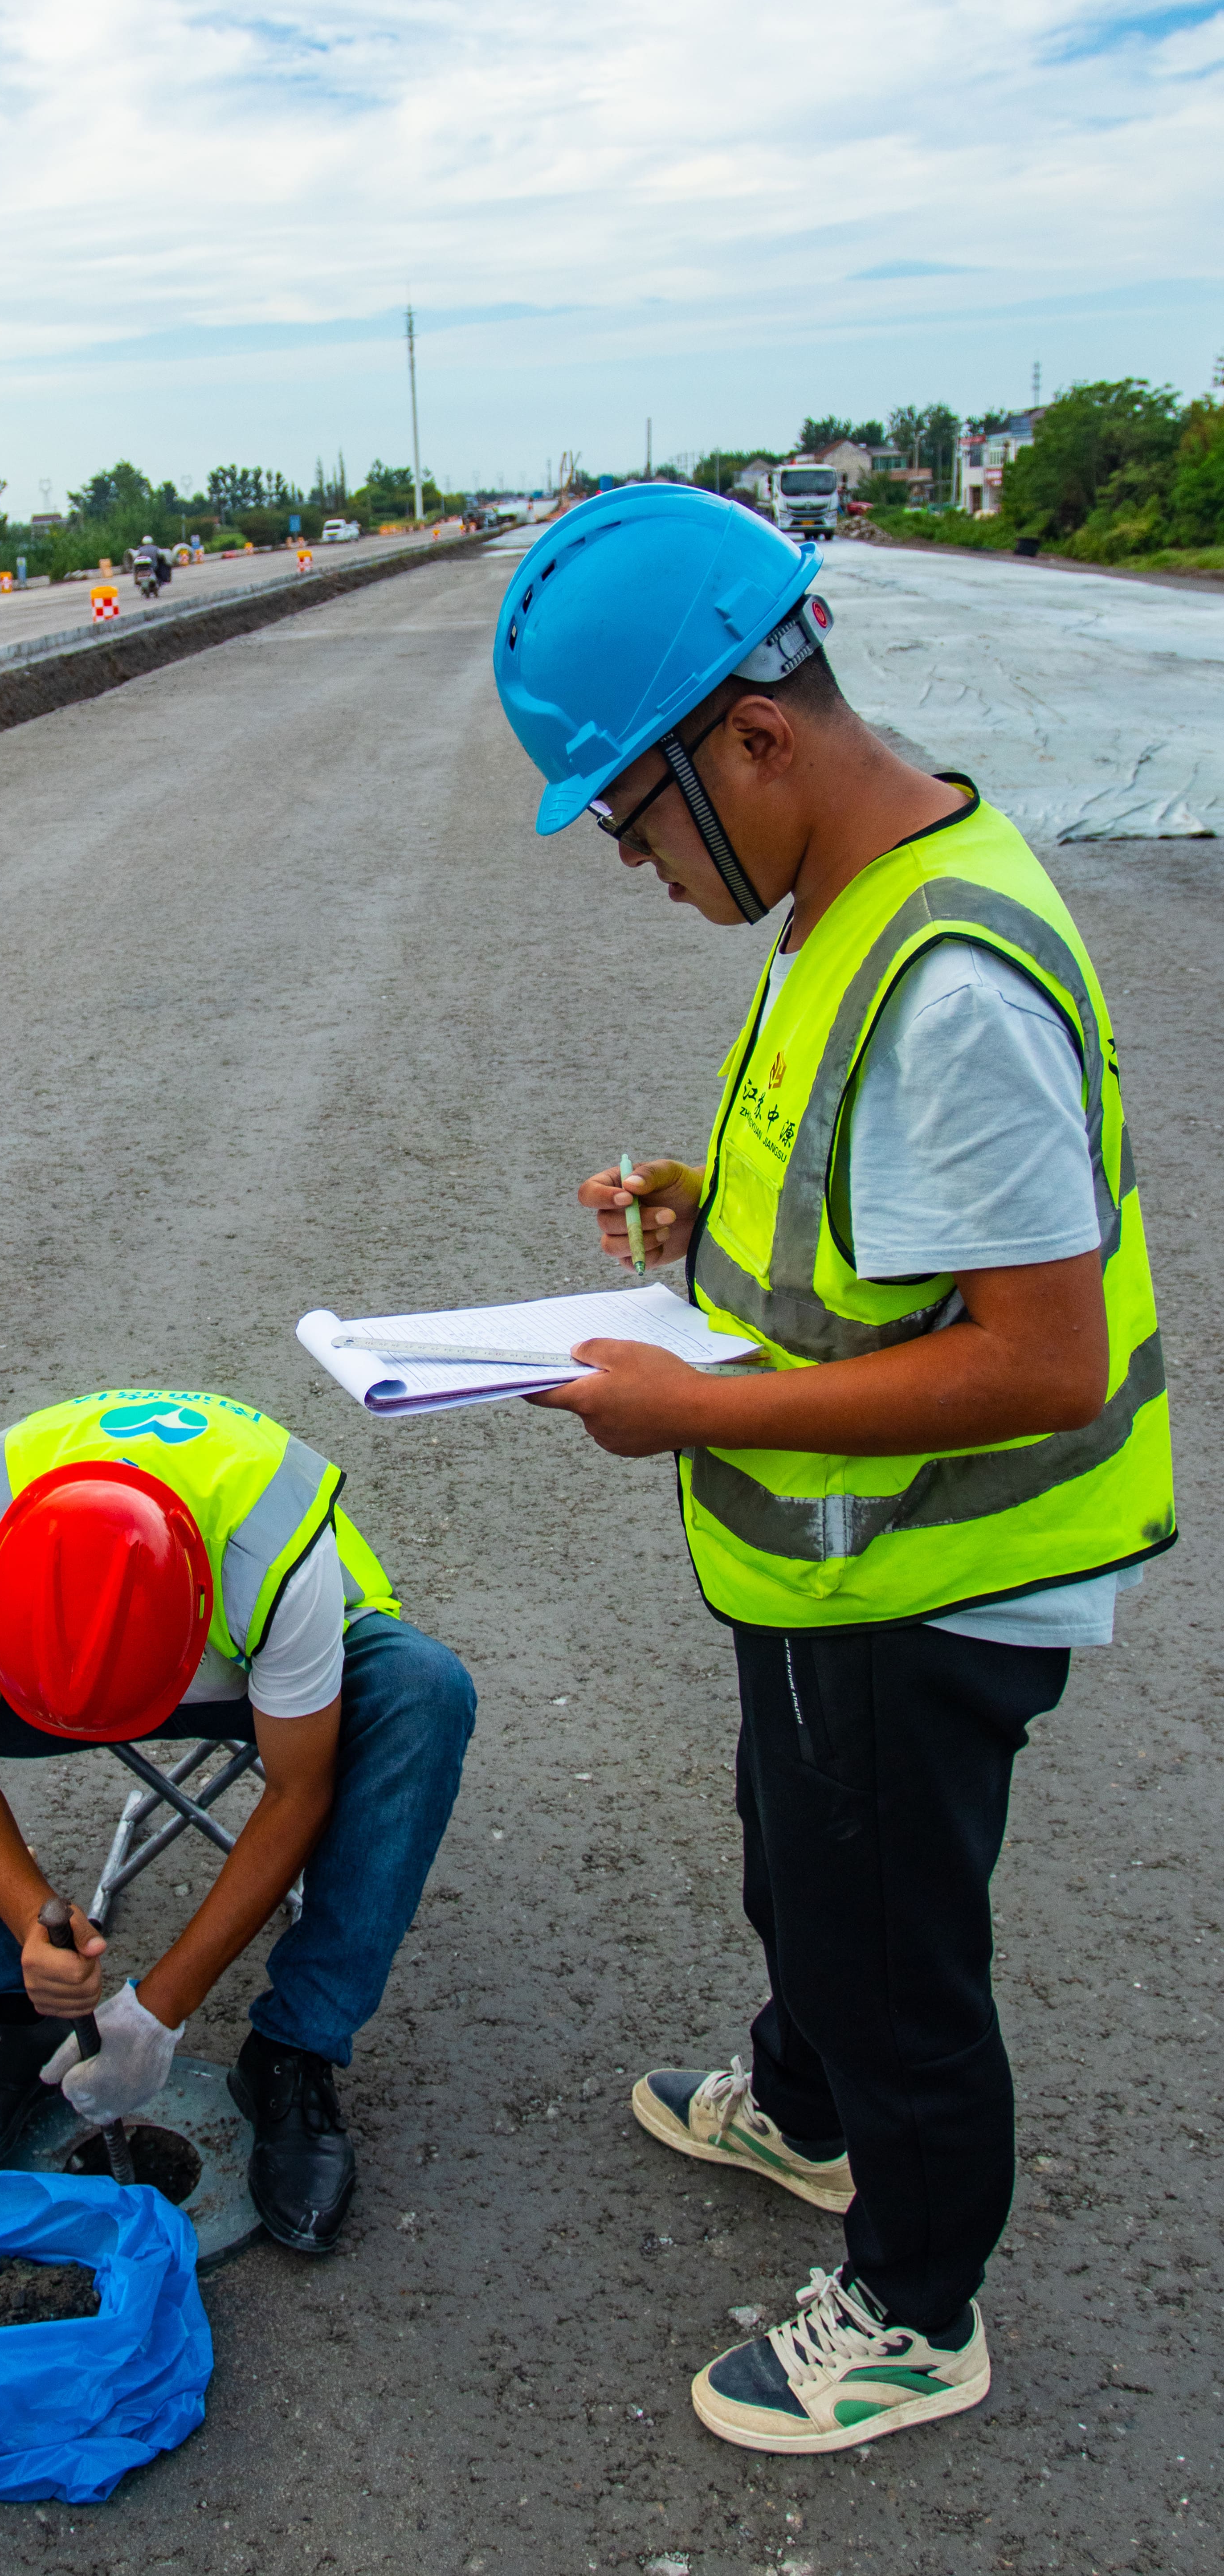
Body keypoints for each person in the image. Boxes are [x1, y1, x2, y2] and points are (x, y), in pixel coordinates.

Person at [491, 486, 1172, 2456]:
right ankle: (801, 2112)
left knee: (895, 1956)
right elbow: (885, 1227)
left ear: (754, 738)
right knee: (804, 1868)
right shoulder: (848, 906)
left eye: (632, 817)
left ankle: (913, 2302)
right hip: (828, 1571)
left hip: (926, 1586)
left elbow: (1037, 1358)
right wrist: (701, 1202)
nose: (633, 863)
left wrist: (686, 1406)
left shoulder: (950, 985)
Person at [0, 1387, 474, 2253]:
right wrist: (32, 1918)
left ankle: (294, 2049)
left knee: (422, 1690)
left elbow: (297, 1787)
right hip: (47, 1674)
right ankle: (6, 2022)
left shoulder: (270, 1544)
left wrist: (159, 2008)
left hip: (251, 1676)